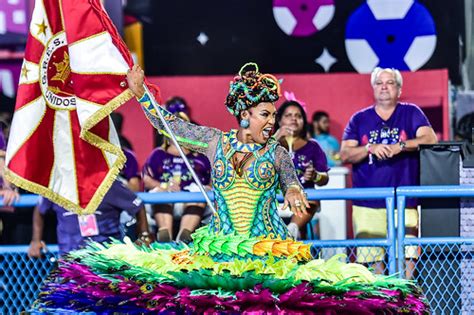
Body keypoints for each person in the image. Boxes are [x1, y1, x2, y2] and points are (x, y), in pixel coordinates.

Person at [33, 64, 428, 314]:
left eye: (274, 115)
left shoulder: (277, 152)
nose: (273, 122)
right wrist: (140, 95)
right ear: (244, 115)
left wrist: (293, 194)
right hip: (219, 247)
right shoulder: (215, 142)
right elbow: (169, 125)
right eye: (265, 115)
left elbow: (291, 181)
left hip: (266, 248)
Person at [341, 67, 437, 276]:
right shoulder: (359, 119)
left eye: (390, 82)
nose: (384, 87)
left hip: (404, 198)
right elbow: (345, 154)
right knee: (372, 259)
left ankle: (406, 297)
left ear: (399, 89)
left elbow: (430, 139)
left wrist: (400, 146)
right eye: (379, 83)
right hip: (367, 200)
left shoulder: (411, 112)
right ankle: (383, 302)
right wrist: (369, 148)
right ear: (373, 88)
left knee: (407, 253)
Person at [143, 97, 211, 243]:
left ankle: (184, 236)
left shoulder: (201, 156)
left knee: (199, 192)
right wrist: (163, 186)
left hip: (192, 202)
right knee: (159, 193)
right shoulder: (157, 155)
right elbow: (145, 180)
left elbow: (212, 183)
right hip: (166, 199)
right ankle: (165, 235)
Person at [27, 180, 151, 257]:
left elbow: (138, 205)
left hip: (105, 259)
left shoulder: (107, 184)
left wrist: (144, 235)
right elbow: (39, 211)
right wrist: (35, 240)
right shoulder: (57, 185)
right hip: (69, 259)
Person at [274, 100, 329, 239]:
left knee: (312, 200)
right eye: (288, 115)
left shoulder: (313, 146)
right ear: (279, 120)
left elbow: (324, 179)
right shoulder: (269, 144)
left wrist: (315, 176)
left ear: (304, 121)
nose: (294, 118)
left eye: (298, 116)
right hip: (275, 198)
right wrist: (275, 139)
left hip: (303, 201)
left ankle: (292, 229)